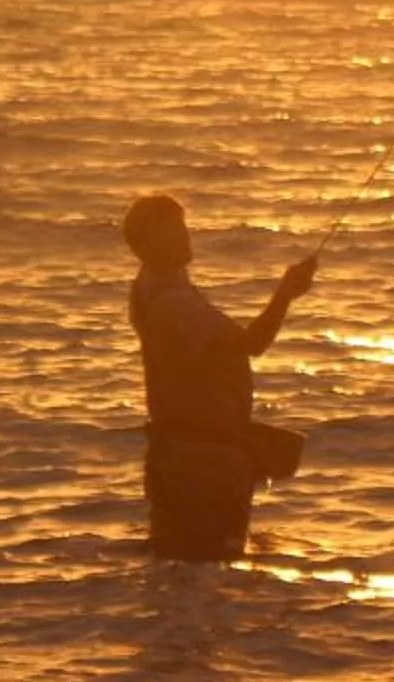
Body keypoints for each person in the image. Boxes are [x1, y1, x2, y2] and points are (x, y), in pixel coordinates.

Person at [122, 193, 318, 562]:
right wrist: (286, 293)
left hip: (181, 456)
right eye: (170, 233)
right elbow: (253, 343)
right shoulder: (174, 305)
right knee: (213, 566)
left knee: (181, 566)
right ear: (146, 246)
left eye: (182, 228)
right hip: (202, 464)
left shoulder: (150, 288)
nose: (184, 237)